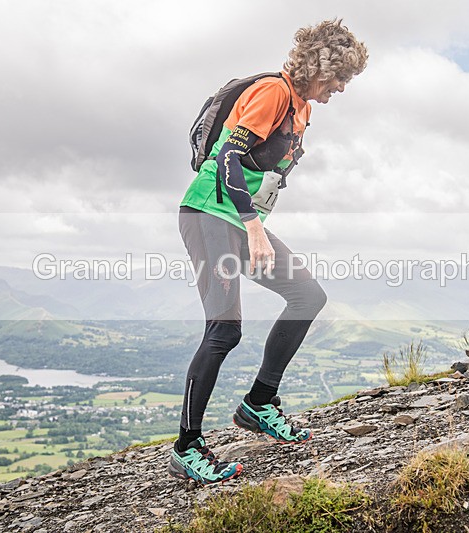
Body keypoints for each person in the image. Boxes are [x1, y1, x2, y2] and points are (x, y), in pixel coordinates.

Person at [168, 20, 368, 484]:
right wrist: (254, 227)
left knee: (307, 297)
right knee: (224, 331)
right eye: (340, 77)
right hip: (210, 214)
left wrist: (253, 221)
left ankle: (259, 402)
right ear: (321, 66)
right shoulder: (273, 92)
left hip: (240, 219)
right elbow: (228, 158)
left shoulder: (302, 109)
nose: (340, 88)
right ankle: (186, 446)